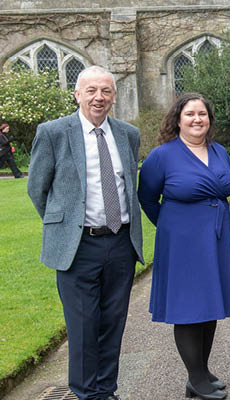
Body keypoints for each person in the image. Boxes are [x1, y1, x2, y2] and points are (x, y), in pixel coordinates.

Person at [27, 65, 144, 400]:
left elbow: (128, 186)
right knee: (82, 327)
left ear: (114, 96)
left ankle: (106, 390)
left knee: (113, 323)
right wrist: (66, 226)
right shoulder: (53, 133)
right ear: (77, 94)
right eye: (91, 90)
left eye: (105, 90)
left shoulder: (128, 134)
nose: (98, 97)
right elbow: (37, 189)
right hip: (78, 247)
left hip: (120, 243)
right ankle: (86, 394)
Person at [138, 93, 230, 400]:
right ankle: (195, 378)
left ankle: (202, 371)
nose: (197, 119)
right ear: (178, 120)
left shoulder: (218, 151)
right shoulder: (163, 156)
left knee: (210, 303)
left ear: (209, 119)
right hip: (182, 242)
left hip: (215, 239)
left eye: (202, 114)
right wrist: (171, 226)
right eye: (190, 114)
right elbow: (146, 198)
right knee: (188, 307)